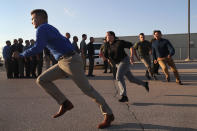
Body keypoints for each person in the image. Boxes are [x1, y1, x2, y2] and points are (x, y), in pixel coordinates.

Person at [13, 9, 114, 129]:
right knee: (42, 80)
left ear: (41, 18)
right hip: (63, 61)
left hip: (69, 61)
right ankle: (65, 103)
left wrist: (21, 55)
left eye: (33, 19)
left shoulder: (42, 28)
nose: (32, 22)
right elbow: (64, 40)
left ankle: (108, 114)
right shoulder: (50, 28)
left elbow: (38, 47)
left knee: (88, 90)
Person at [104, 31, 149, 102]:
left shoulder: (119, 42)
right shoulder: (107, 45)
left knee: (118, 77)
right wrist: (109, 61)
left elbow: (131, 46)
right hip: (117, 63)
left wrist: (131, 56)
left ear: (113, 36)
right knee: (131, 79)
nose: (107, 37)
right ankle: (144, 84)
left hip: (124, 60)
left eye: (108, 35)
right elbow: (106, 56)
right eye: (106, 36)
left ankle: (124, 96)